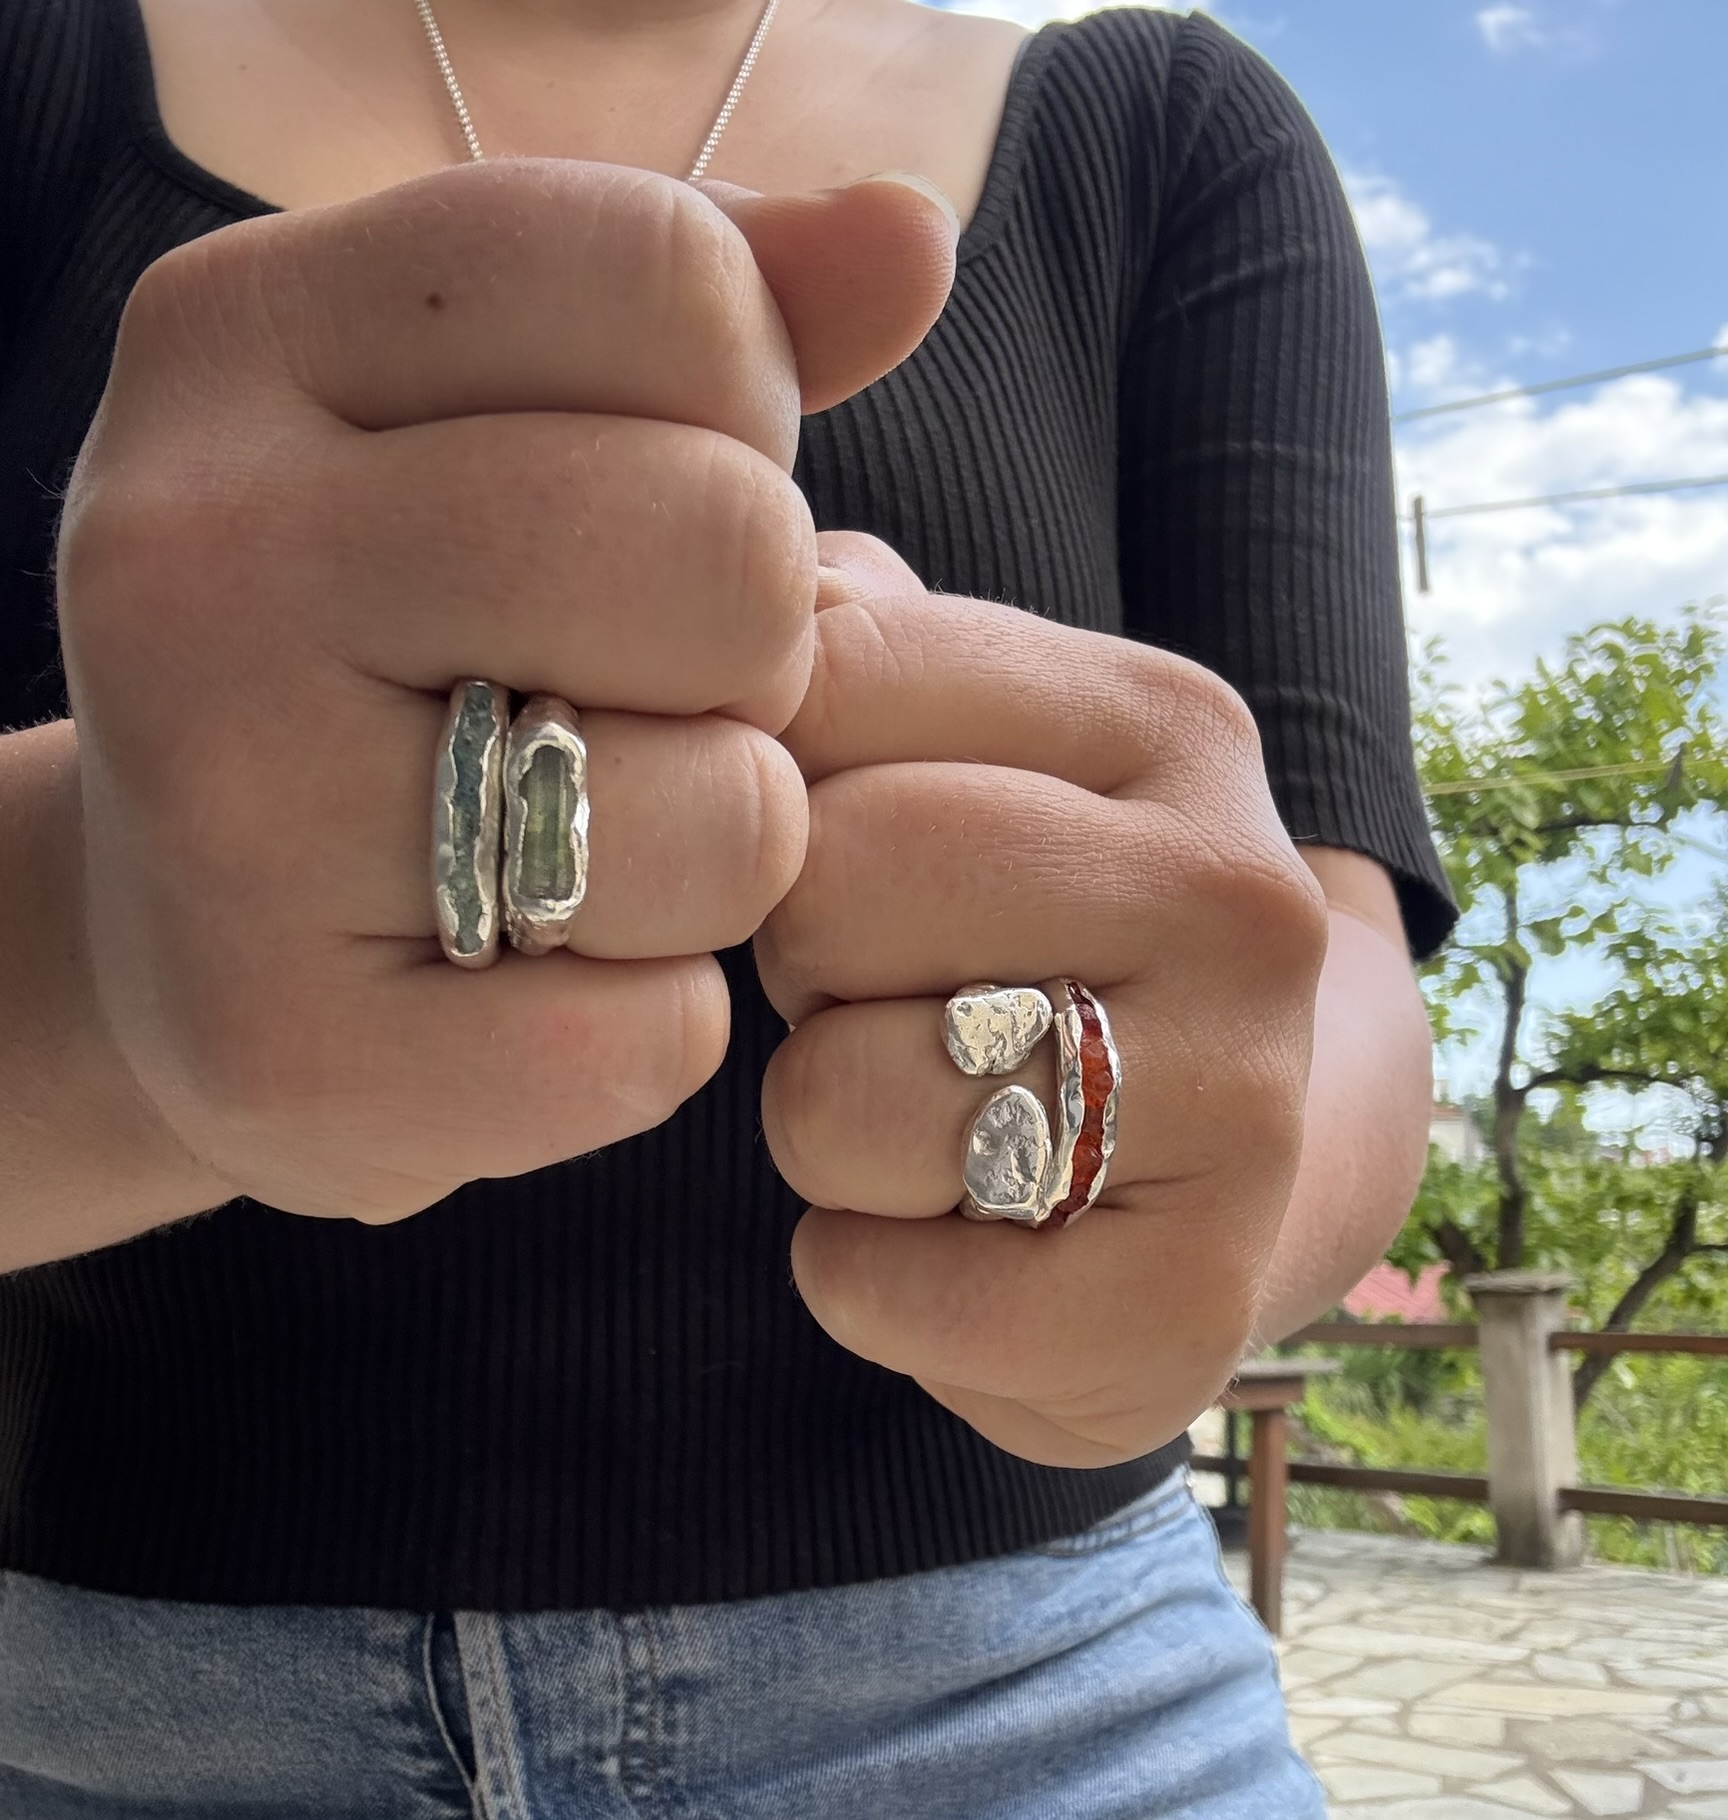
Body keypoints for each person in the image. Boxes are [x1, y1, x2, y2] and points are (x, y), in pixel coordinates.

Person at [0, 0, 1451, 1812]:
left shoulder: (1161, 134)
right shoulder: (37, 69)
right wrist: (87, 962)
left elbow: (1329, 954)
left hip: (1039, 1704)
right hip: (90, 1722)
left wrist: (1162, 1213)